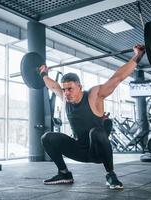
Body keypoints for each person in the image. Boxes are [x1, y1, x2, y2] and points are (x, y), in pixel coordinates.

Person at [39, 44, 145, 190]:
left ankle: (110, 174)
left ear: (80, 87)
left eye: (70, 89)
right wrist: (43, 73)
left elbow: (117, 78)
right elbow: (52, 85)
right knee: (47, 138)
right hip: (79, 150)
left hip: (97, 151)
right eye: (64, 89)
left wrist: (137, 56)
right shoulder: (65, 97)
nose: (66, 92)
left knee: (96, 132)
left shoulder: (94, 95)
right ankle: (64, 173)